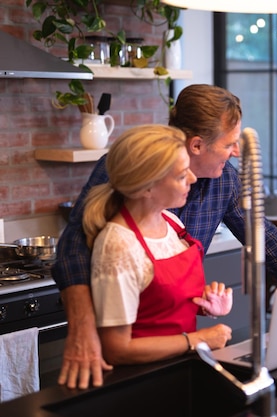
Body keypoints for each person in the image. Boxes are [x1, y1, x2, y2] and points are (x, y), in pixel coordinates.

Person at [53, 84, 277, 389]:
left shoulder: (223, 178)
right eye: (230, 143)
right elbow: (72, 250)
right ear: (198, 145)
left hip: (173, 346)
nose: (237, 151)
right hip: (116, 343)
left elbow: (262, 235)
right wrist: (83, 330)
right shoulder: (132, 169)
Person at [83, 125, 233, 364]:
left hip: (180, 365)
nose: (193, 179)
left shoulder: (171, 222)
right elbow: (117, 349)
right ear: (148, 186)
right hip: (142, 379)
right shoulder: (118, 245)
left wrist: (203, 304)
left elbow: (162, 304)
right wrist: (196, 340)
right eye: (182, 175)